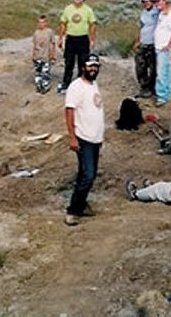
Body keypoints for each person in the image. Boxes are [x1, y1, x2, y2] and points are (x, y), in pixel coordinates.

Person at [64, 52, 105, 226]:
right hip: (83, 138)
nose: (93, 69)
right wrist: (72, 137)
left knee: (87, 174)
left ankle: (81, 204)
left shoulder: (94, 84)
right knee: (88, 175)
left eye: (95, 66)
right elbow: (69, 111)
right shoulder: (76, 87)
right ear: (83, 67)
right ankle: (73, 210)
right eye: (90, 66)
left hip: (95, 138)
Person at [57, 0, 97, 94]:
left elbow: (92, 24)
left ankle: (82, 82)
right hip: (71, 38)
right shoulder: (68, 9)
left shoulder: (88, 10)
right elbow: (63, 23)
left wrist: (92, 39)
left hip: (83, 39)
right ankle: (66, 83)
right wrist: (60, 38)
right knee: (69, 62)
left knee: (83, 62)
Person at [153, 0, 171, 107]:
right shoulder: (162, 14)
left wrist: (169, 44)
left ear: (164, 1)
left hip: (165, 48)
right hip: (160, 47)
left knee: (161, 72)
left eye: (159, 1)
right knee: (166, 72)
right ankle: (167, 94)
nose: (157, 4)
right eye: (156, 2)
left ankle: (162, 96)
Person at [132, 0, 159, 98]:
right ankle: (144, 87)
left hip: (154, 43)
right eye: (144, 2)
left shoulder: (157, 12)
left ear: (152, 1)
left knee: (153, 67)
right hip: (144, 42)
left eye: (147, 1)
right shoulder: (143, 13)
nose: (146, 4)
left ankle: (153, 88)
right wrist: (137, 41)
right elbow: (141, 27)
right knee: (140, 66)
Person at [31, 14, 56, 94]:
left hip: (46, 55)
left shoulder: (49, 32)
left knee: (45, 72)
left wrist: (52, 54)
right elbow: (34, 44)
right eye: (39, 22)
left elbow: (52, 43)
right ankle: (39, 85)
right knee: (38, 71)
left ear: (46, 23)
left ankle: (45, 86)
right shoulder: (36, 33)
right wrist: (33, 54)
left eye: (43, 22)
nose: (41, 24)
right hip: (38, 55)